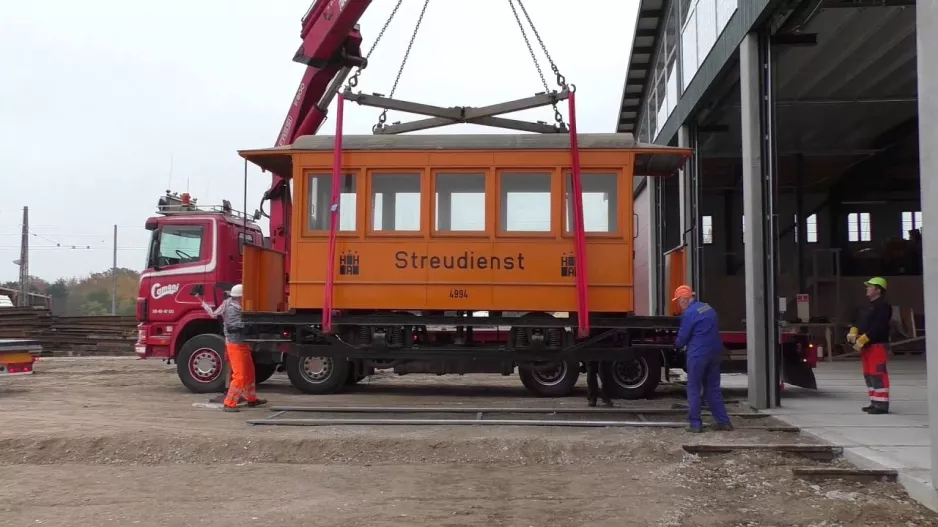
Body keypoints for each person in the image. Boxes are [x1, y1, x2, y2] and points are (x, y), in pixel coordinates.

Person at [672, 285, 732, 433]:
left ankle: (695, 424)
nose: (678, 305)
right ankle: (723, 422)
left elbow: (682, 338)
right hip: (715, 352)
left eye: (678, 301)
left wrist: (674, 344)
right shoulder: (708, 308)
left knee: (693, 387)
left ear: (684, 300)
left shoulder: (689, 314)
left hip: (699, 353)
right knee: (712, 388)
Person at [202, 284, 266, 412]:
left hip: (241, 344)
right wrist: (247, 326)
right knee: (240, 375)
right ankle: (229, 403)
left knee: (249, 373)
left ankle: (251, 399)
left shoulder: (236, 305)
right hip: (235, 345)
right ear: (240, 297)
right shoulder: (232, 308)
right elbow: (232, 326)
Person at [847, 277, 892, 414]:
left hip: (877, 345)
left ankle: (882, 405)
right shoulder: (867, 306)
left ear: (878, 290)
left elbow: (879, 327)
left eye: (870, 286)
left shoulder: (883, 307)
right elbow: (860, 322)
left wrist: (865, 338)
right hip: (867, 346)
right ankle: (874, 401)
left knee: (878, 374)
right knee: (869, 374)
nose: (867, 288)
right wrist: (854, 331)